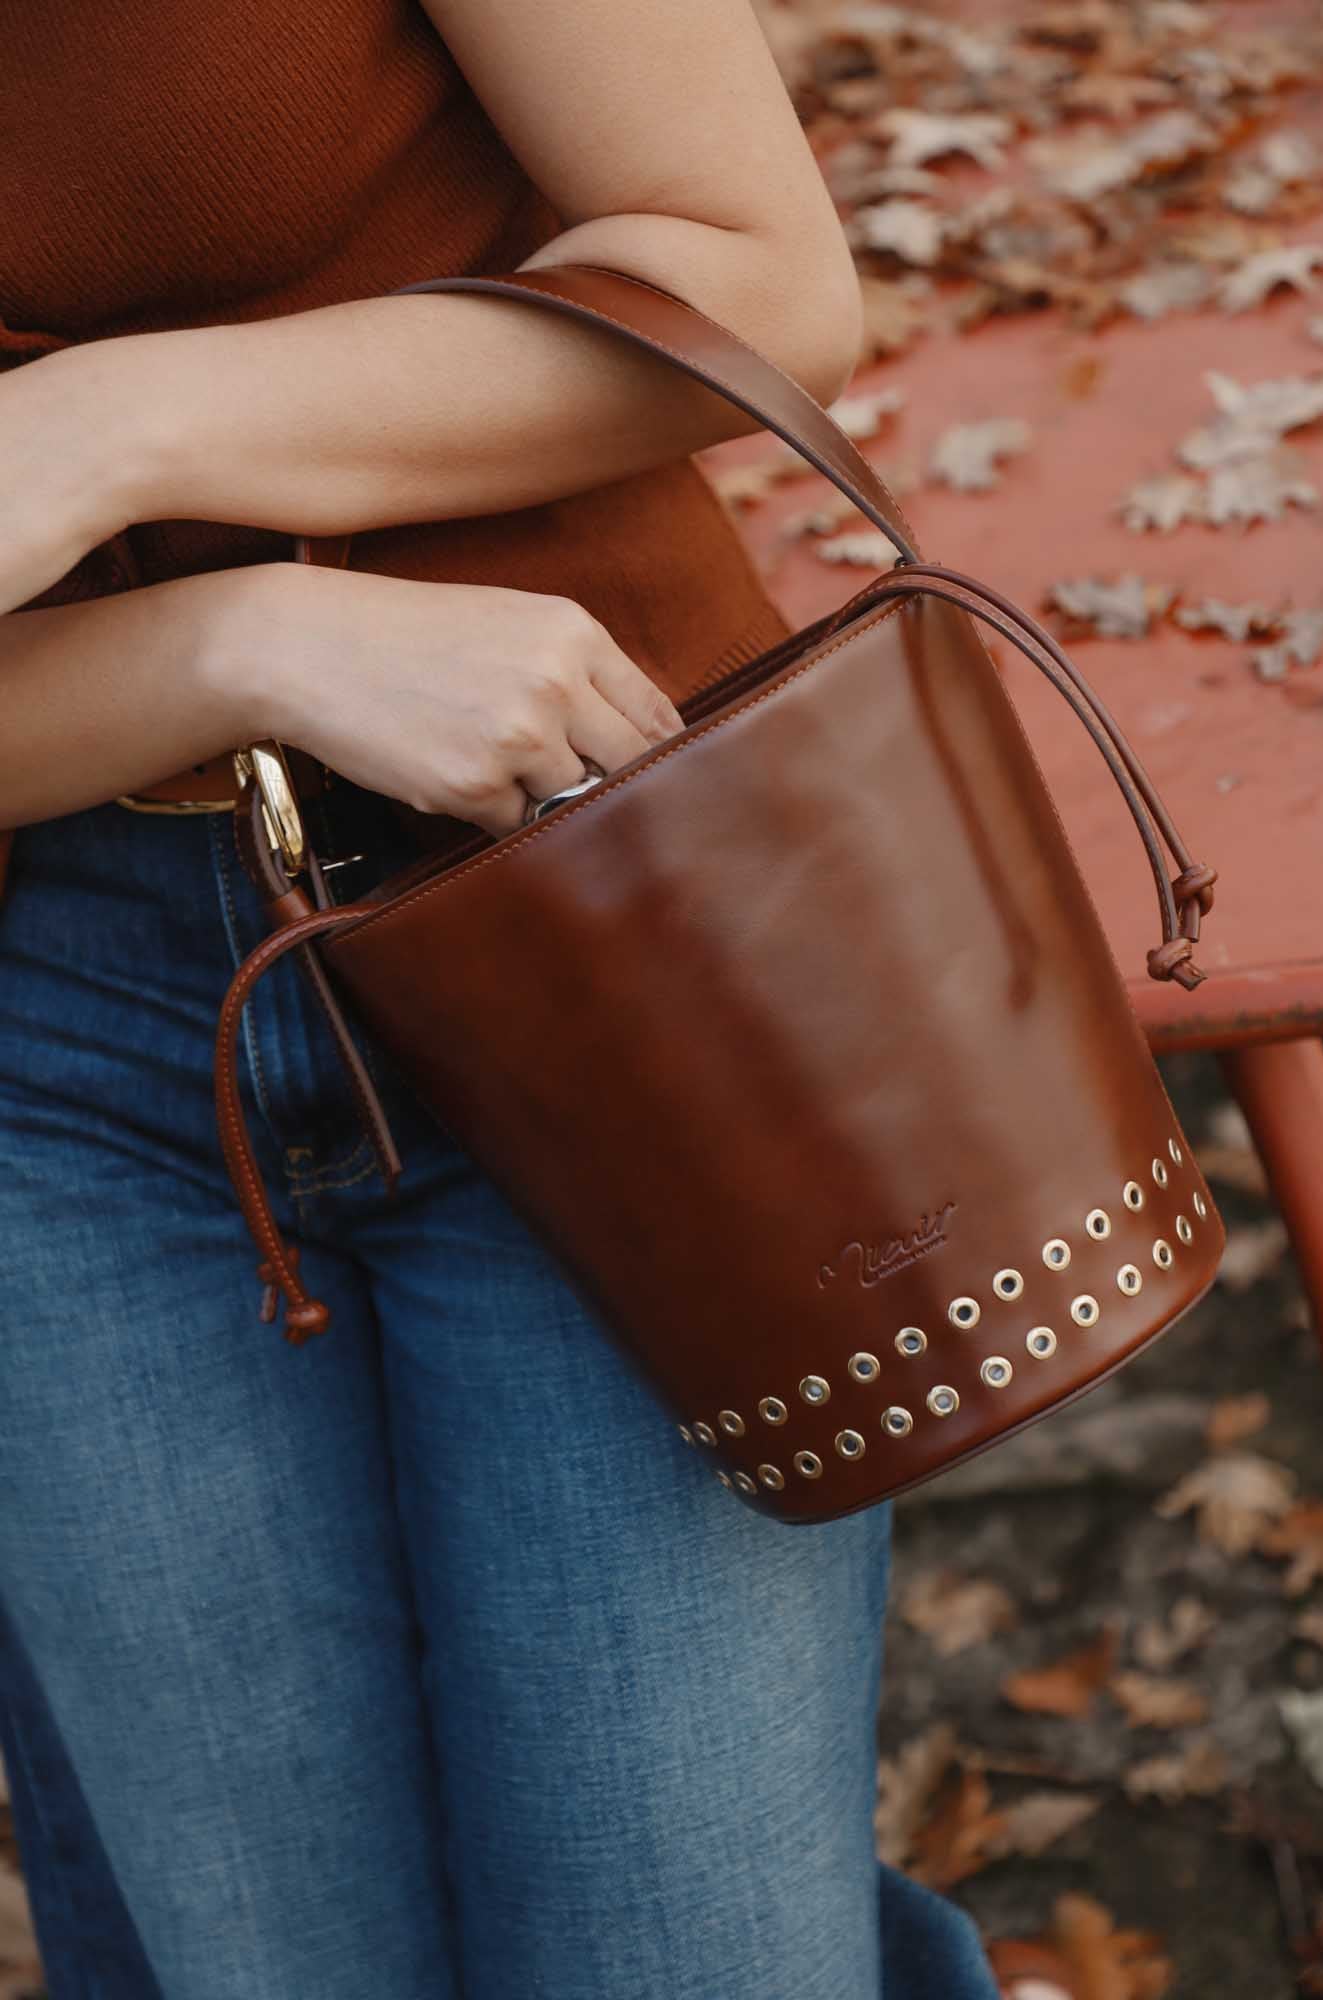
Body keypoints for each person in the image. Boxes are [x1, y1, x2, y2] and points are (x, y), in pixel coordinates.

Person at [0, 2, 1001, 1994]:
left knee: (694, 1949)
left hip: (592, 896)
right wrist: (231, 642)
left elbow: (751, 272)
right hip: (48, 1032)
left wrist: (110, 429)